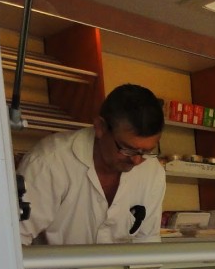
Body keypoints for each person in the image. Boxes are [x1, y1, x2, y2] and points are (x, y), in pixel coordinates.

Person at [18, 83, 166, 245]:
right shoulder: (49, 161)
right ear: (100, 127)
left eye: (145, 152)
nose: (137, 160)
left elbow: (146, 242)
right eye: (127, 149)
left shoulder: (152, 171)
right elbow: (16, 238)